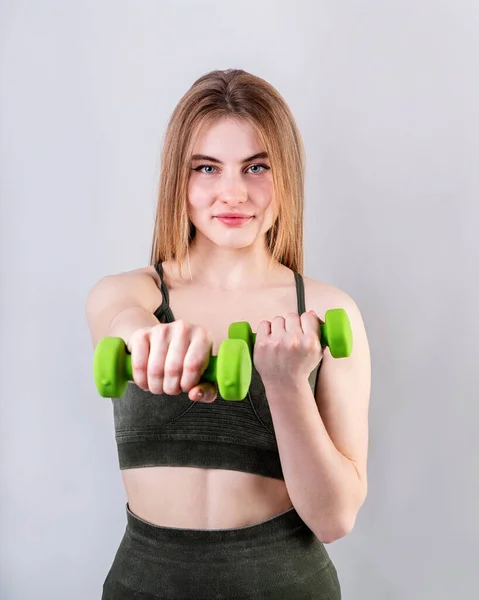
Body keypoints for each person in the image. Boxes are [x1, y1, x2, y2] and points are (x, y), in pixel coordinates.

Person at [86, 68, 371, 599]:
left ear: (284, 175)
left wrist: (286, 384)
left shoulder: (330, 312)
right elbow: (121, 319)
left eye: (256, 166)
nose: (233, 192)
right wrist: (149, 339)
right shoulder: (130, 293)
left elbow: (334, 520)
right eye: (208, 168)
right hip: (144, 584)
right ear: (180, 178)